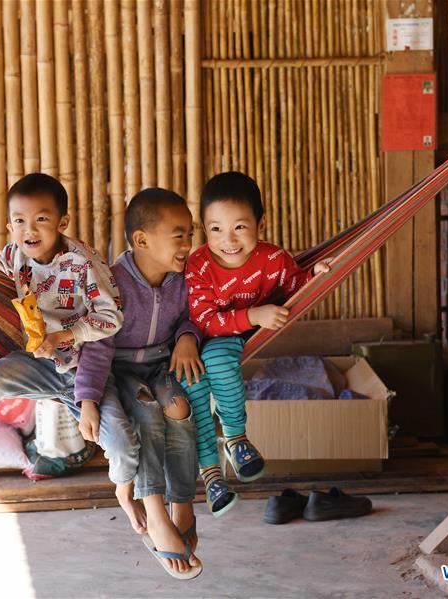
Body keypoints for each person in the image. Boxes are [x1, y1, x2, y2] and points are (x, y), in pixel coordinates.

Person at [0, 173, 143, 529]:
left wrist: (65, 335)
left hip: (86, 373)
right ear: (10, 226)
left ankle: (125, 493)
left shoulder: (83, 263)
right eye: (19, 221)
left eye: (41, 219)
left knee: (122, 443)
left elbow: (112, 318)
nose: (29, 229)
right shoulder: (14, 256)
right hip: (39, 365)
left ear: (62, 222)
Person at [182, 171, 332, 516]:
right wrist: (254, 315)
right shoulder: (198, 265)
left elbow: (295, 286)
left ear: (260, 225)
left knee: (218, 362)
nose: (228, 240)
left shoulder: (273, 259)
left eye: (240, 226)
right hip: (197, 337)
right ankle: (211, 474)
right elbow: (205, 320)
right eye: (216, 229)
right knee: (193, 390)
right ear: (204, 229)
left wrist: (315, 275)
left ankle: (236, 437)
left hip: (229, 341)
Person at [81, 188, 203, 579]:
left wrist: (187, 337)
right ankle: (155, 509)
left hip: (159, 364)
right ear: (142, 240)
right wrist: (88, 399)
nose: (188, 245)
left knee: (179, 408)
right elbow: (97, 344)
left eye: (190, 235)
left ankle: (182, 502)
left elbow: (193, 316)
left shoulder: (182, 280)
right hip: (119, 371)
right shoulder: (113, 283)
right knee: (148, 413)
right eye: (179, 236)